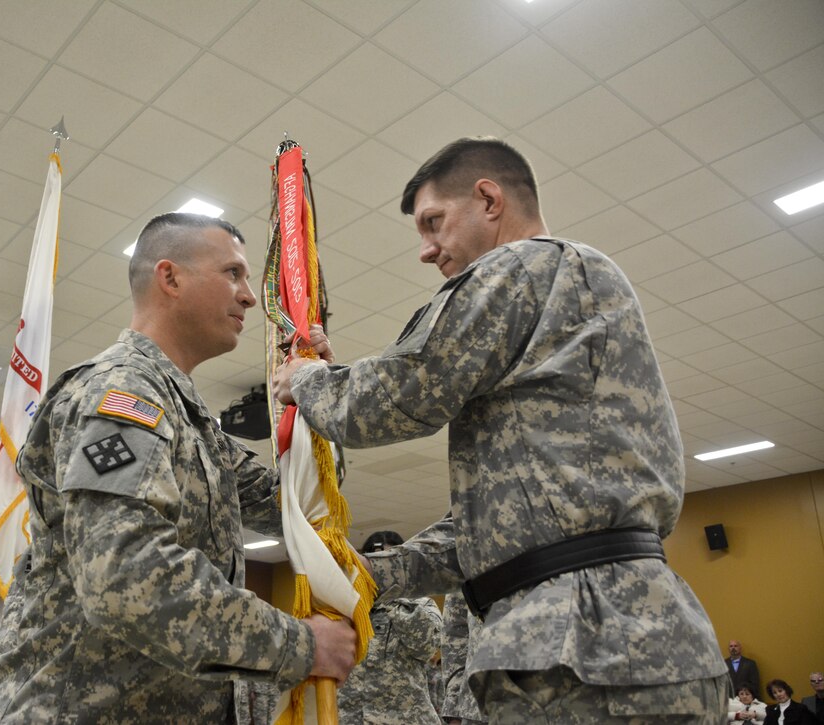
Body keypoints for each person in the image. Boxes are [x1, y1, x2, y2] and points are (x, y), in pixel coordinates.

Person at [273, 136, 728, 722]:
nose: (427, 250)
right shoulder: (571, 286)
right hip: (616, 634)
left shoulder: (520, 269)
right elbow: (504, 523)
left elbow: (400, 395)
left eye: (434, 223)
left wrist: (308, 380)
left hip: (583, 649)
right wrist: (368, 574)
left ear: (488, 199)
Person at [0, 212, 357, 724]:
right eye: (232, 273)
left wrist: (318, 398)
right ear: (170, 278)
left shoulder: (188, 416)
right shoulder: (122, 392)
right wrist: (299, 644)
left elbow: (292, 508)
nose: (248, 296)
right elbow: (125, 575)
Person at [336, 531, 442, 725]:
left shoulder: (420, 604)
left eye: (389, 561)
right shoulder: (343, 606)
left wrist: (391, 592)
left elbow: (426, 647)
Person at [440, 592, 486, 725]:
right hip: (476, 710)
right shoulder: (467, 571)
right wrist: (453, 709)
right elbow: (455, 636)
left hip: (542, 701)